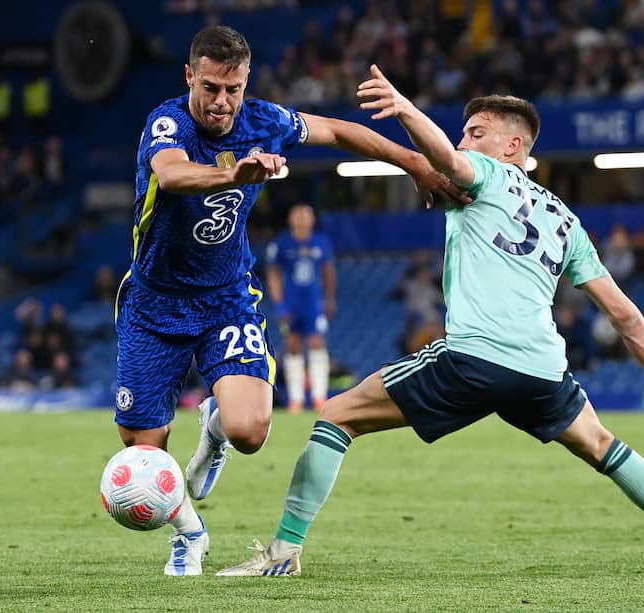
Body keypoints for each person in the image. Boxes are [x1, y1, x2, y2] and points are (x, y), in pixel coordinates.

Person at [216, 65, 644, 577]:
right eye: (465, 131)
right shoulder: (565, 220)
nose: (465, 141)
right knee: (604, 445)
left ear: (513, 147)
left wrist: (403, 109)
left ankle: (283, 554)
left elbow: (442, 156)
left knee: (336, 416)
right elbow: (623, 311)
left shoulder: (487, 175)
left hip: (474, 359)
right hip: (542, 371)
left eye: (476, 132)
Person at [113, 28, 466, 578]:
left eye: (233, 89)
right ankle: (189, 535)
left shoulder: (262, 120)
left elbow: (341, 132)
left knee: (250, 432)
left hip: (226, 297)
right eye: (210, 87)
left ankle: (216, 428)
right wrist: (232, 173)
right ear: (189, 78)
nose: (221, 102)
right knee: (143, 456)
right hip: (154, 304)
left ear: (246, 82)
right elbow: (172, 173)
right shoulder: (169, 123)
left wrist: (415, 163)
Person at [266, 203, 336, 414]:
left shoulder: (321, 243)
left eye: (306, 215)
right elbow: (273, 274)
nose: (302, 219)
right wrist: (279, 304)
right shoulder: (282, 243)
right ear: (290, 219)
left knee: (316, 343)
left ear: (313, 220)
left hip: (314, 303)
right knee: (293, 345)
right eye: (298, 215)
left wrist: (330, 298)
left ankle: (319, 398)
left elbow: (328, 272)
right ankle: (295, 400)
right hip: (291, 304)